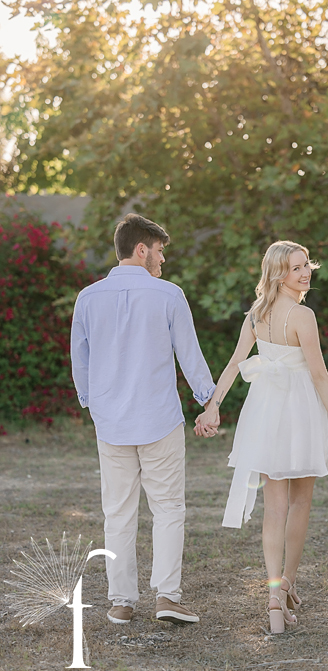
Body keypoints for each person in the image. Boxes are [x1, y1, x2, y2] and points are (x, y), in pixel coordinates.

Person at [195, 240, 328, 634]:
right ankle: (283, 588)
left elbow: (234, 364)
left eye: (305, 266)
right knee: (298, 503)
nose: (304, 273)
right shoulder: (303, 316)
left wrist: (214, 403)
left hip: (265, 412)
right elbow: (319, 375)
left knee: (276, 506)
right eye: (295, 268)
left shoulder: (256, 314)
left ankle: (273, 598)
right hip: (298, 411)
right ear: (278, 274)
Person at [70, 213, 217, 626]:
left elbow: (79, 358)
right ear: (141, 249)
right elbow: (189, 353)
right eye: (159, 251)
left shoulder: (88, 297)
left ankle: (121, 602)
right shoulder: (169, 295)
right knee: (168, 507)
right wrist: (208, 400)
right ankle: (167, 596)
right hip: (159, 420)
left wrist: (91, 402)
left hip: (111, 422)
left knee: (117, 512)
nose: (162, 260)